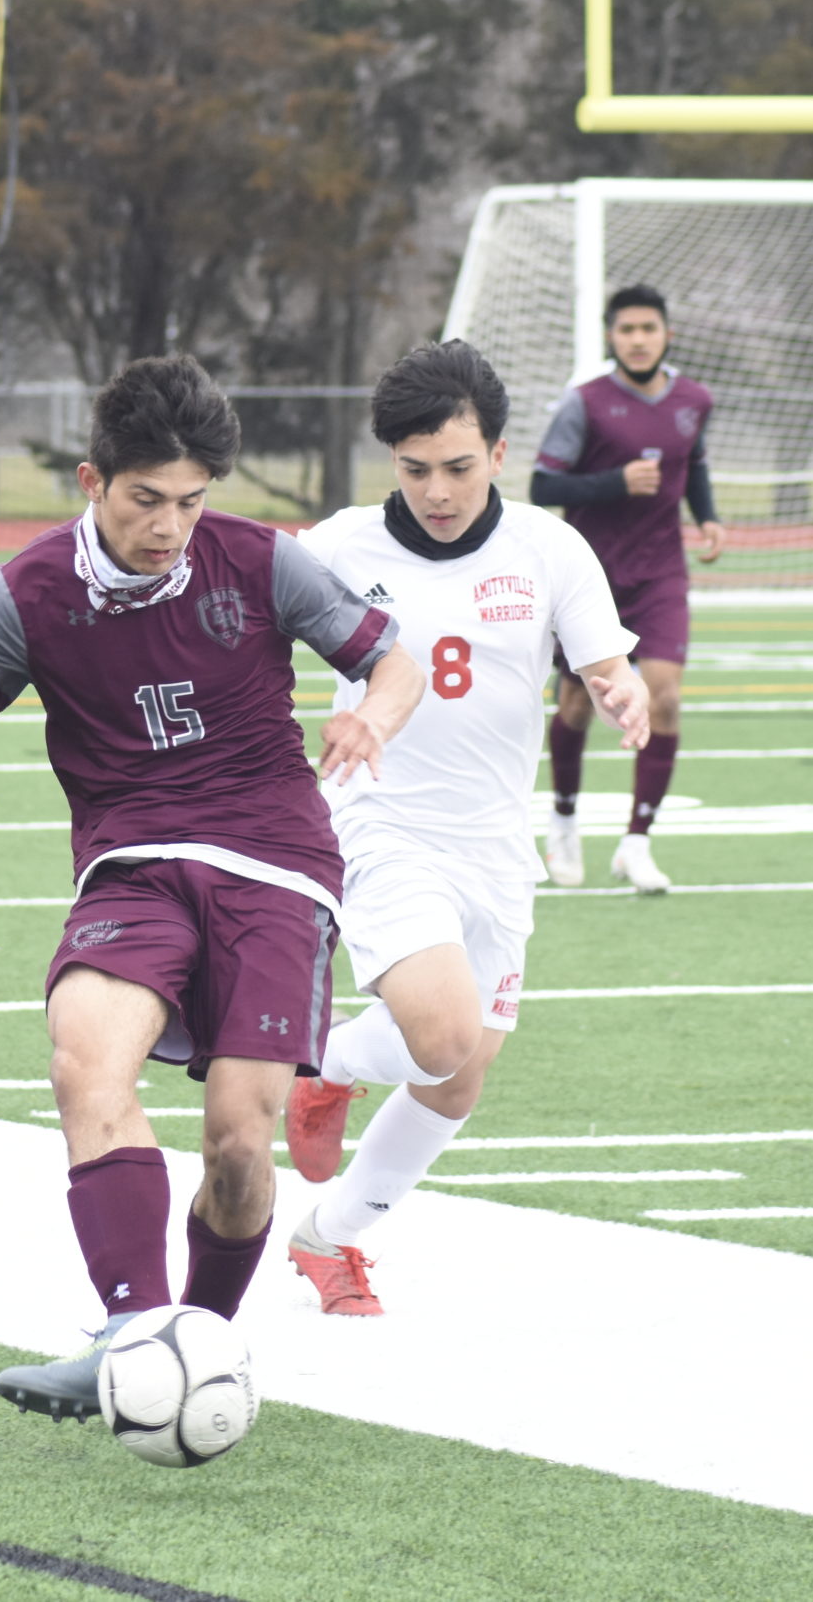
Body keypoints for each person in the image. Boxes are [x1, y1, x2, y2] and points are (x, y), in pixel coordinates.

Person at [0, 355, 423, 1422]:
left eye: (191, 502)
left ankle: (197, 1347)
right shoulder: (24, 595)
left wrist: (369, 719)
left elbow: (394, 662)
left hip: (274, 861)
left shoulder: (260, 562)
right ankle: (133, 1339)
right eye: (145, 499)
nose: (170, 525)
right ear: (90, 483)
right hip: (132, 865)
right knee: (83, 1066)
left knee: (238, 1139)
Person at [282, 339, 650, 1314]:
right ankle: (318, 1059)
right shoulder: (335, 549)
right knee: (442, 1035)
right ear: (388, 463)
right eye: (413, 470)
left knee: (455, 1081)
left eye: (456, 466)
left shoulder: (548, 548)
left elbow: (608, 662)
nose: (436, 490)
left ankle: (328, 1238)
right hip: (377, 824)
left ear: (496, 452)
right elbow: (234, 634)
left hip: (494, 843)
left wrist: (624, 692)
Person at [529, 282, 724, 894]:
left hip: (662, 571)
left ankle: (636, 843)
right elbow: (541, 487)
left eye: (648, 328)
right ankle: (562, 819)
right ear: (610, 337)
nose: (638, 339)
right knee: (579, 705)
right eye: (626, 330)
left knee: (664, 698)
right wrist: (614, 482)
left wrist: (708, 516)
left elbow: (692, 464)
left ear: (667, 334)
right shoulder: (583, 403)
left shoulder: (694, 399)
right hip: (590, 577)